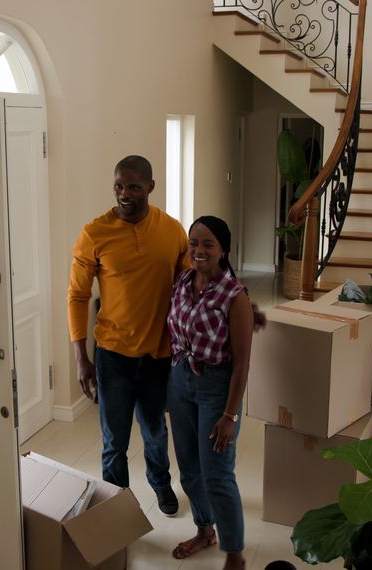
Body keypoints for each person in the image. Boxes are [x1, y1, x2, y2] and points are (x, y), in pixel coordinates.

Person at [67, 155, 185, 516]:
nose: (125, 193)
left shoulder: (172, 230)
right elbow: (77, 296)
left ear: (150, 186)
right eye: (119, 185)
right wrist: (81, 358)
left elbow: (187, 287)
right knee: (114, 441)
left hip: (158, 356)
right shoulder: (94, 233)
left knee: (154, 432)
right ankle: (116, 509)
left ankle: (161, 487)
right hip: (113, 356)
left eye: (134, 186)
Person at [166, 216, 253, 570]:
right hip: (179, 378)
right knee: (188, 469)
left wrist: (230, 415)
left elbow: (243, 363)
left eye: (208, 244)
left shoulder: (235, 296)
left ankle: (234, 553)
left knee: (217, 474)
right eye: (194, 243)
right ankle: (205, 531)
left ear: (223, 251)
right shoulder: (183, 281)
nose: (198, 250)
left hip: (216, 386)